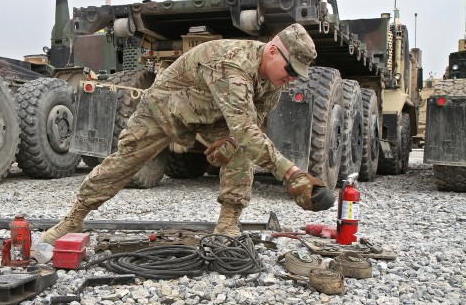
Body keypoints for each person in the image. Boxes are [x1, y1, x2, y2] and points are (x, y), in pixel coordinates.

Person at [42, 23, 335, 245]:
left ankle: (228, 223)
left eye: (297, 74)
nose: (292, 78)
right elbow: (247, 129)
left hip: (212, 116)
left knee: (242, 150)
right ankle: (73, 219)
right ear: (272, 50)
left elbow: (251, 124)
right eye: (290, 69)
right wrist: (293, 175)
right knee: (125, 162)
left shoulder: (274, 81)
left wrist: (232, 141)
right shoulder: (232, 65)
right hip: (165, 110)